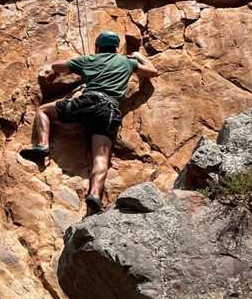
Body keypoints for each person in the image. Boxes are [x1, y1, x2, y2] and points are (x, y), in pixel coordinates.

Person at [20, 31, 159, 215]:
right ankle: (94, 195)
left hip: (88, 102)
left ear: (98, 47)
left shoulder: (91, 59)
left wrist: (78, 63)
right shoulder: (127, 62)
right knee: (100, 159)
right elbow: (153, 71)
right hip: (109, 110)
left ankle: (42, 145)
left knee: (43, 111)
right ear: (115, 48)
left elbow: (58, 66)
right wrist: (139, 56)